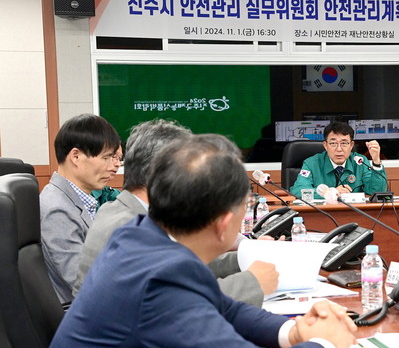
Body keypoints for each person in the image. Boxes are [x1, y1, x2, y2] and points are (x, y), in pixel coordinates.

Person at [26, 134, 357, 348]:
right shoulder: (160, 277)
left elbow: (225, 308)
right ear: (224, 223)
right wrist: (327, 346)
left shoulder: (142, 235)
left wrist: (293, 331)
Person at [75, 120, 277, 306]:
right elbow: (180, 299)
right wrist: (253, 282)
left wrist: (245, 258)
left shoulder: (133, 213)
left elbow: (185, 267)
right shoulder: (127, 228)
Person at [40, 113, 121, 304]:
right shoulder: (57, 209)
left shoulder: (78, 200)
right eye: (107, 157)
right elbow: (84, 283)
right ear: (76, 156)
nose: (115, 166)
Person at [289, 121, 388, 198]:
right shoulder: (311, 163)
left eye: (344, 143)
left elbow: (377, 192)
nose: (339, 149)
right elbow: (298, 190)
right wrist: (329, 192)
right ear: (325, 145)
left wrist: (376, 162)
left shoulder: (360, 162)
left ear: (351, 145)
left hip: (354, 214)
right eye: (333, 143)